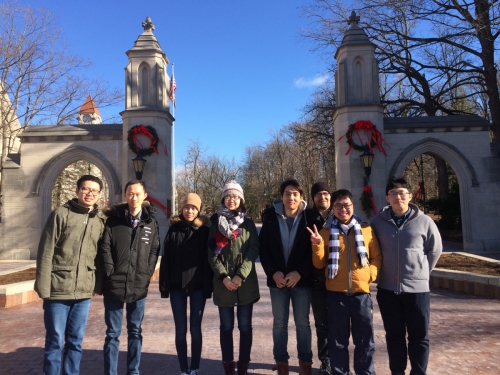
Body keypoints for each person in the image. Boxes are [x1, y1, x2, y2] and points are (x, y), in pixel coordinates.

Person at [370, 177, 442, 375]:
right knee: (394, 336)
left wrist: (422, 273)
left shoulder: (425, 221)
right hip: (387, 290)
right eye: (393, 193)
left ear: (410, 196)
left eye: (402, 193)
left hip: (417, 291)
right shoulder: (377, 222)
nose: (398, 197)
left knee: (419, 337)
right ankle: (397, 372)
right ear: (387, 197)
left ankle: (418, 372)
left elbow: (434, 250)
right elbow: (372, 250)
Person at [35, 175, 104, 375]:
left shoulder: (99, 221)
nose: (90, 193)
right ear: (77, 191)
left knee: (75, 341)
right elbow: (46, 251)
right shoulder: (60, 214)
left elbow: (99, 256)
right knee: (55, 340)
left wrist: (97, 285)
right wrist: (43, 287)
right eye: (86, 189)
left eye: (95, 191)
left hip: (83, 291)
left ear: (99, 194)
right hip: (58, 289)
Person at [308, 189, 382, 375]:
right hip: (335, 294)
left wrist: (370, 274)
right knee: (338, 342)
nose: (343, 209)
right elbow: (319, 263)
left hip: (361, 294)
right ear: (333, 208)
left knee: (365, 341)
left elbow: (376, 257)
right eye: (338, 206)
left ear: (352, 206)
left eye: (346, 205)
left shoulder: (366, 229)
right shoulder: (325, 231)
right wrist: (317, 245)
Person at [96, 180, 160, 375]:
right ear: (125, 195)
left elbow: (154, 250)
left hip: (138, 286)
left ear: (145, 196)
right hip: (114, 285)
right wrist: (110, 272)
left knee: (135, 332)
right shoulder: (114, 221)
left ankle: (133, 371)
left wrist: (147, 273)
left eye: (137, 194)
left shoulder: (150, 223)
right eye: (130, 193)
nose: (134, 197)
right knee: (112, 334)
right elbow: (105, 247)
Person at [259, 178, 313, 375]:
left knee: (303, 323)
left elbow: (313, 251)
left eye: (295, 194)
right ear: (281, 196)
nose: (291, 197)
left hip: (302, 280)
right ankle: (281, 362)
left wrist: (300, 272)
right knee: (279, 322)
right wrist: (273, 272)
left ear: (301, 196)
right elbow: (263, 249)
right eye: (287, 193)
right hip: (278, 281)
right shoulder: (271, 217)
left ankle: (305, 363)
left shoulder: (309, 217)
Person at [207, 181, 260, 375]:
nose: (232, 200)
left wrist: (239, 276)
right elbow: (211, 254)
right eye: (228, 196)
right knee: (226, 327)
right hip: (223, 284)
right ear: (223, 198)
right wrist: (224, 277)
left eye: (236, 196)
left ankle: (243, 365)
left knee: (245, 327)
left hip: (245, 283)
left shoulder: (248, 223)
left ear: (241, 200)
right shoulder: (215, 224)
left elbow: (253, 249)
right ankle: (228, 365)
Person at [159, 193, 213, 375]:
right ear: (182, 209)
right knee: (180, 329)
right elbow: (166, 259)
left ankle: (195, 367)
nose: (190, 211)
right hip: (177, 288)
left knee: (196, 329)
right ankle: (183, 368)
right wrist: (165, 287)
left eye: (194, 208)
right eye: (187, 207)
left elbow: (208, 261)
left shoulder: (204, 231)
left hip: (197, 287)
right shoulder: (173, 230)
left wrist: (208, 288)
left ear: (199, 210)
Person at [305, 182, 333, 375]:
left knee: (339, 324)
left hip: (338, 279)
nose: (322, 197)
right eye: (318, 195)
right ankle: (326, 361)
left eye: (325, 194)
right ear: (313, 197)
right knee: (322, 324)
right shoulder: (307, 218)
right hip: (316, 280)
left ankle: (340, 357)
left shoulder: (339, 215)